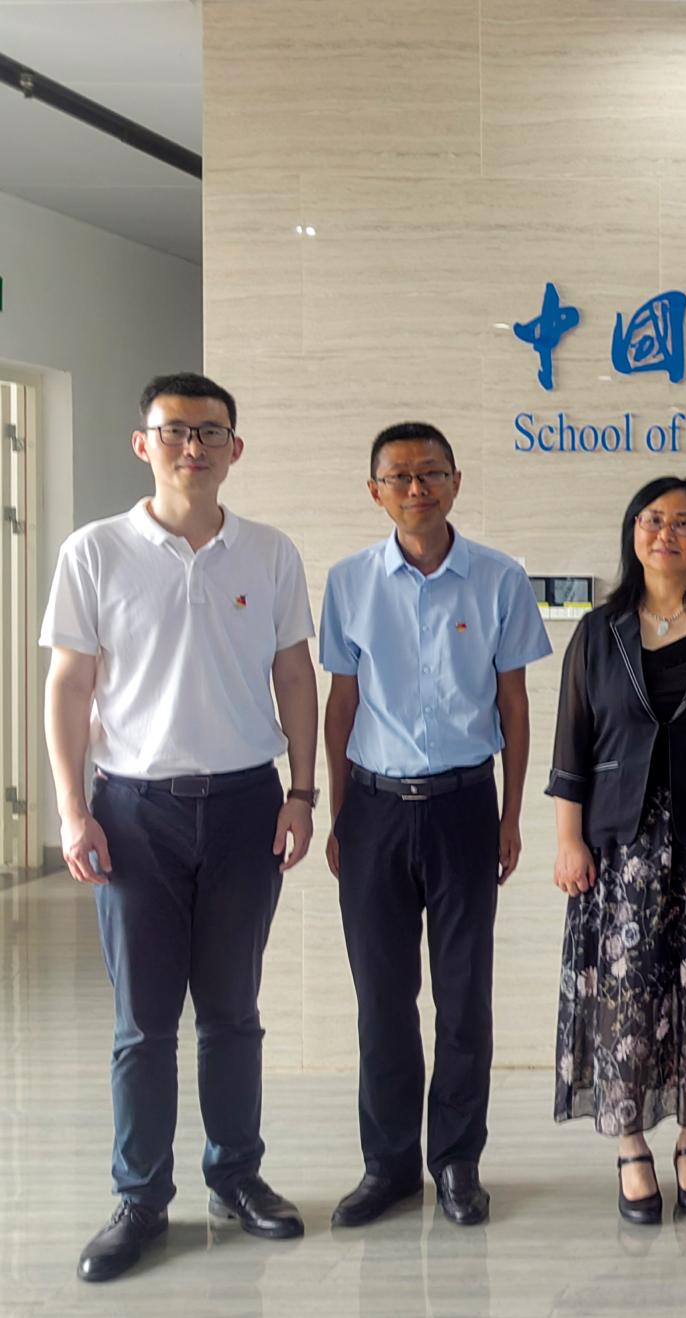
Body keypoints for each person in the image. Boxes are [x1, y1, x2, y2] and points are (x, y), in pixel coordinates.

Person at [43, 372, 317, 1282]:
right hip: (133, 814)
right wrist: (72, 810)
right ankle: (140, 1198)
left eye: (210, 432)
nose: (192, 447)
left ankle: (236, 1176)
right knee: (143, 1023)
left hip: (245, 808)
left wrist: (302, 792)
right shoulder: (95, 551)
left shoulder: (269, 553)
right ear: (143, 444)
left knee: (233, 1013)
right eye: (174, 431)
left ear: (236, 448)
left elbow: (293, 676)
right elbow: (69, 686)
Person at [318, 422, 551, 1228]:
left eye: (431, 474)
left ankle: (456, 1162)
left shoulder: (499, 578)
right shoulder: (349, 581)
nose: (417, 488)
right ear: (375, 491)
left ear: (455, 481)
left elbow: (514, 705)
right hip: (373, 809)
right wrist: (338, 812)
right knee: (382, 1000)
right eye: (400, 477)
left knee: (463, 996)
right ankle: (387, 1168)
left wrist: (511, 815)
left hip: (463, 807)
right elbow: (341, 704)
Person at [549, 476, 686, 1223]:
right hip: (621, 847)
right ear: (633, 532)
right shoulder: (599, 630)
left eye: (683, 522)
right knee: (629, 998)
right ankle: (631, 1146)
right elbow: (573, 743)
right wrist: (568, 838)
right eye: (653, 520)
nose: (666, 534)